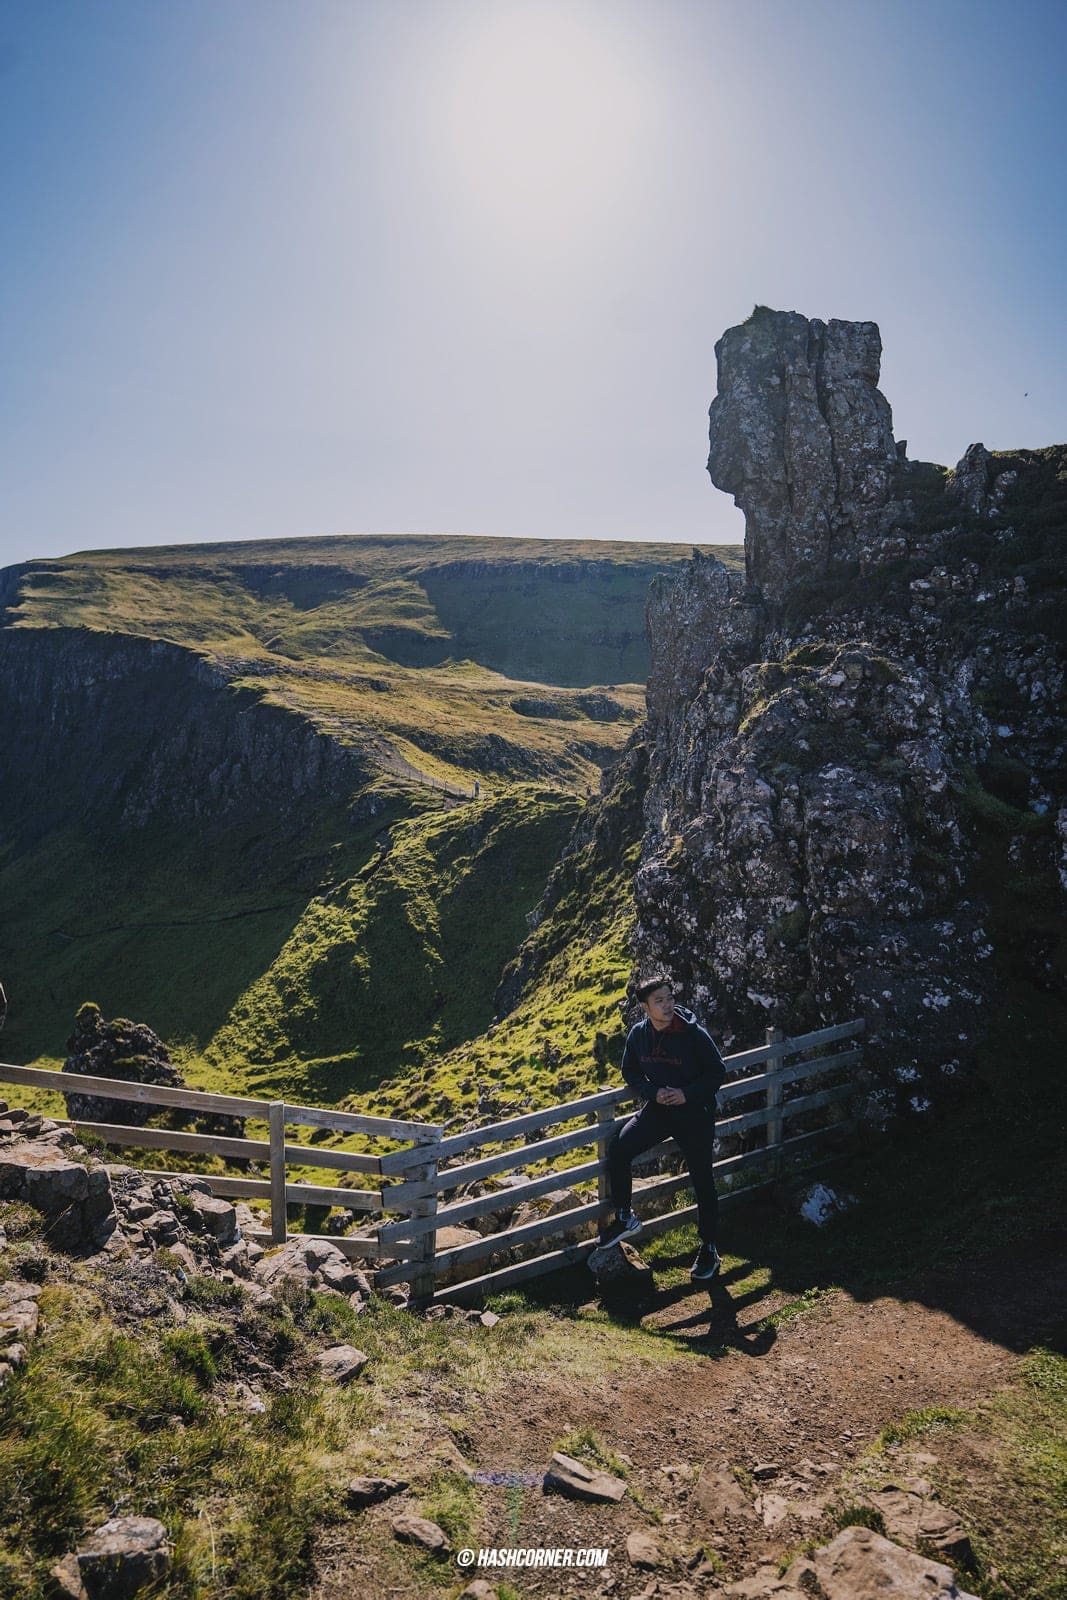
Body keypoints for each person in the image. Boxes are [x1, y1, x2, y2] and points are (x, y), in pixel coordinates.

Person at [602, 974, 725, 1282]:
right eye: (660, 1001)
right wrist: (652, 1092)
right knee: (619, 1149)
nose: (668, 1004)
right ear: (645, 1006)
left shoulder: (693, 1034)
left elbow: (717, 1071)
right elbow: (629, 1070)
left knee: (702, 1177)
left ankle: (709, 1247)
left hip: (695, 1113)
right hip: (659, 1110)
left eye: (670, 997)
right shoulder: (639, 1035)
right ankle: (624, 1217)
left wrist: (687, 1093)